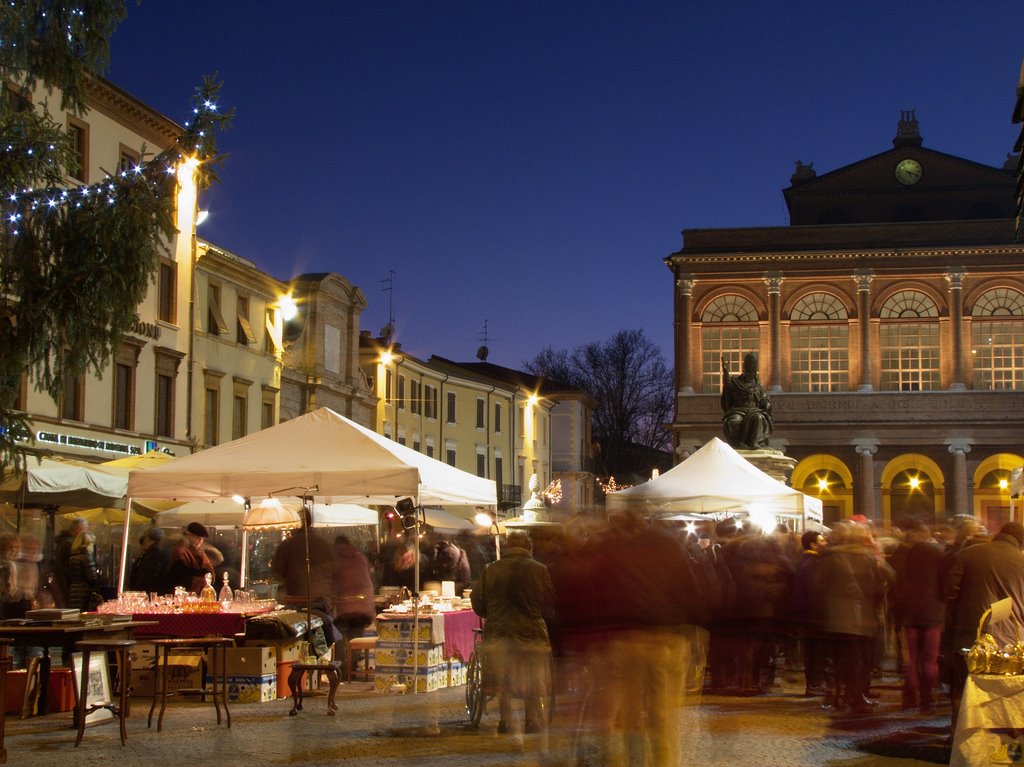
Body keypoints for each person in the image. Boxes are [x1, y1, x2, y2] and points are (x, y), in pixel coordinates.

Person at [470, 530, 555, 735]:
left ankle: (505, 719)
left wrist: (492, 614)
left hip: (499, 632)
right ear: (529, 548)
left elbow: (478, 601)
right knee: (532, 676)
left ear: (507, 547)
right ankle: (531, 718)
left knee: (503, 678)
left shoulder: (491, 569)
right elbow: (549, 600)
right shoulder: (540, 569)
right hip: (531, 632)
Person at [945, 521, 1024, 730]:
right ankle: (1001, 736)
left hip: (971, 632)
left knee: (963, 686)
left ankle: (960, 735)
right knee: (1006, 689)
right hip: (1012, 638)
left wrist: (958, 620)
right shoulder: (1022, 559)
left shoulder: (970, 554)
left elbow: (951, 592)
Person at [889, 522, 944, 713]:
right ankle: (928, 700)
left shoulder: (904, 555)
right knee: (930, 659)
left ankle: (910, 698)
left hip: (910, 614)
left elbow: (895, 581)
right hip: (933, 613)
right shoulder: (937, 554)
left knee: (911, 659)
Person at [332, 535, 375, 654]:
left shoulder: (334, 558)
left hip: (342, 607)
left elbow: (332, 582)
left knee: (340, 638)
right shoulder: (360, 557)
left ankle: (342, 669)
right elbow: (369, 577)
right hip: (362, 606)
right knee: (356, 639)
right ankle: (353, 666)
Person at [720, 352, 773, 449]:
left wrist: (767, 403)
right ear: (745, 368)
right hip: (739, 410)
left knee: (758, 418)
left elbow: (763, 398)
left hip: (754, 410)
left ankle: (754, 443)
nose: (750, 373)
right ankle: (737, 444)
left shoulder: (758, 385)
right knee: (733, 422)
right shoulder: (737, 382)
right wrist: (726, 371)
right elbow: (728, 386)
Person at [167, 522, 220, 594]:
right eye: (198, 538)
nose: (201, 541)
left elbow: (210, 570)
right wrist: (202, 574)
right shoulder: (179, 550)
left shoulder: (201, 552)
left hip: (198, 592)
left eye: (202, 539)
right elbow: (181, 573)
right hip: (183, 592)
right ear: (190, 535)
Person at [52, 517, 88, 607]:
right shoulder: (70, 545)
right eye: (84, 529)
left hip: (65, 585)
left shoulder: (63, 543)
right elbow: (71, 569)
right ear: (76, 529)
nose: (86, 532)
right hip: (70, 586)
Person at [129, 526, 168, 595]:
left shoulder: (154, 553)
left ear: (149, 538)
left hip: (149, 592)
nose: (144, 540)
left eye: (145, 537)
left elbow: (150, 575)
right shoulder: (154, 552)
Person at [66, 531, 100, 612]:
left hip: (73, 592)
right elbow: (92, 577)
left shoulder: (73, 557)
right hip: (85, 593)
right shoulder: (86, 557)